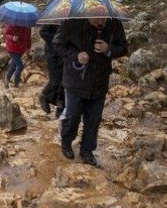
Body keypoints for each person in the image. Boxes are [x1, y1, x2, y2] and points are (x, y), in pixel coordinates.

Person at [52, 18, 128, 167]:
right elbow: (57, 43)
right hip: (75, 79)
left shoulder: (114, 24)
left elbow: (124, 48)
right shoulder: (71, 22)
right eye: (96, 18)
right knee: (72, 115)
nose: (101, 21)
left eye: (104, 18)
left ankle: (87, 150)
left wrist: (108, 49)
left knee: (94, 119)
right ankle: (66, 142)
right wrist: (76, 55)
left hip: (99, 81)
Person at [39, 24, 65, 117]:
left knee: (65, 82)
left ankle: (60, 107)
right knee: (55, 81)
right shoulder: (54, 17)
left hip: (66, 54)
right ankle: (44, 95)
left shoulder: (73, 17)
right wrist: (58, 38)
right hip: (53, 54)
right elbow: (42, 32)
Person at [3, 24, 32, 89]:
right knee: (20, 65)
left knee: (13, 65)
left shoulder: (27, 26)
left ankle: (6, 79)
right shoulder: (12, 24)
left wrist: (28, 48)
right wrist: (12, 38)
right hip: (12, 48)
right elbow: (6, 34)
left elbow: (28, 38)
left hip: (21, 49)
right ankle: (16, 83)